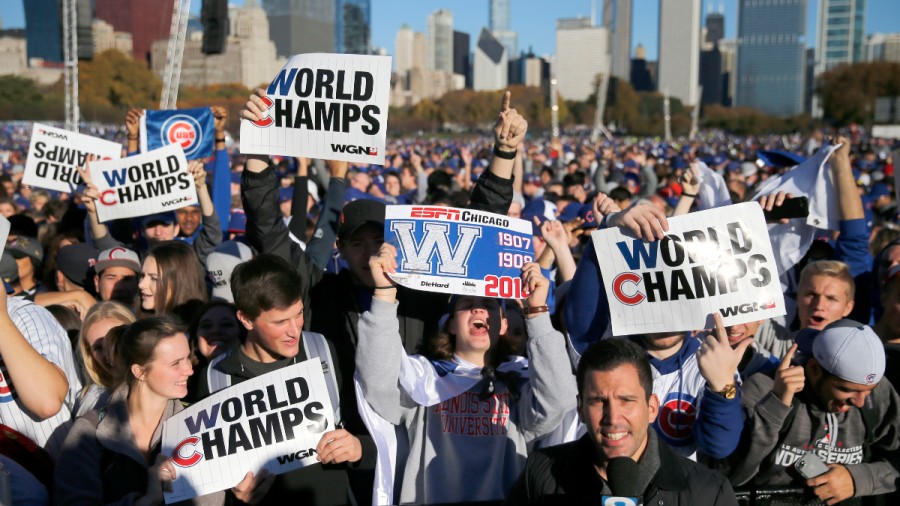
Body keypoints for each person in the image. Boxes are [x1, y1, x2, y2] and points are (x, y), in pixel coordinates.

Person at [355, 248, 576, 505]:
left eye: (489, 305)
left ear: (503, 325)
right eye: (467, 305)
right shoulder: (423, 378)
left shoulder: (518, 380)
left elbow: (560, 400)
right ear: (449, 324)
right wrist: (384, 293)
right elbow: (377, 386)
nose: (479, 310)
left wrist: (537, 312)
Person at [194, 254, 359, 505]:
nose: (295, 330)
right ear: (246, 319)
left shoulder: (325, 350)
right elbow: (205, 473)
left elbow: (374, 434)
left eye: (299, 314)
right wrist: (233, 495)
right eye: (281, 322)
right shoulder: (216, 378)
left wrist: (358, 448)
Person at [506, 338, 737, 505]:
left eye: (626, 400)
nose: (613, 418)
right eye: (598, 401)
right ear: (581, 409)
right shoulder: (540, 474)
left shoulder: (708, 492)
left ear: (651, 407)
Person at [53, 316, 223, 505]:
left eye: (188, 358)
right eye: (176, 363)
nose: (189, 370)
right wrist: (145, 501)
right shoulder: (89, 432)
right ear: (140, 372)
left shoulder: (199, 423)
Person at [729, 320, 900, 504]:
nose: (859, 402)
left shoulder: (878, 393)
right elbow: (729, 477)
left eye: (868, 390)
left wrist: (859, 478)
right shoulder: (764, 390)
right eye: (846, 389)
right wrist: (775, 408)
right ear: (814, 369)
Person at [73, 302, 136, 416]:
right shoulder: (95, 402)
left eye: (115, 341)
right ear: (89, 354)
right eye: (98, 348)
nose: (109, 354)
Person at [137, 241, 208, 320]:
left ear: (180, 282)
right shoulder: (133, 322)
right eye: (142, 276)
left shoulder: (202, 329)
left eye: (154, 278)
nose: (141, 284)